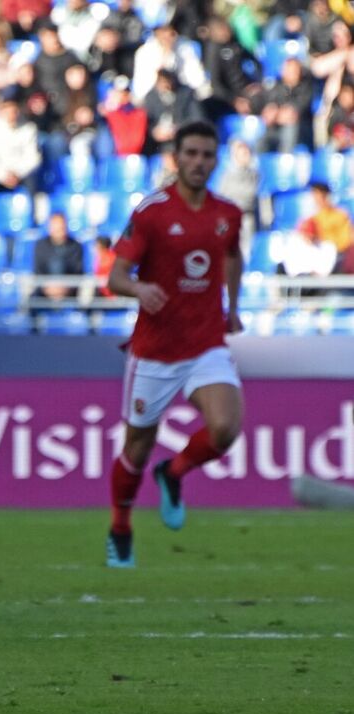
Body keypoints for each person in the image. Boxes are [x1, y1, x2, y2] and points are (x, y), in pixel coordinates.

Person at [105, 119, 244, 569]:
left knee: (225, 428)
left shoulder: (227, 214)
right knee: (137, 448)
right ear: (177, 158)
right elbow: (116, 276)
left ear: (215, 159)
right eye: (192, 154)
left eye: (207, 154)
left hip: (206, 343)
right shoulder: (152, 213)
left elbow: (233, 256)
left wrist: (233, 306)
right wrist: (139, 290)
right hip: (155, 351)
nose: (199, 162)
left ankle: (177, 470)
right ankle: (120, 525)